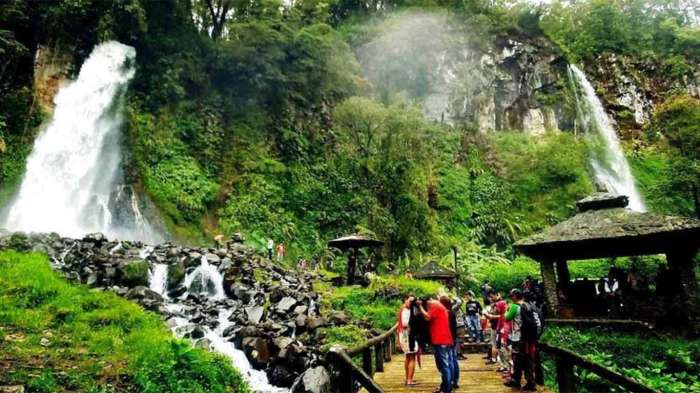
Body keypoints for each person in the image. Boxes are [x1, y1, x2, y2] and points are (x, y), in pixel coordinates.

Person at [417, 295, 453, 393]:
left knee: (444, 365)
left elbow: (427, 317)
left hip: (441, 340)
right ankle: (444, 386)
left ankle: (447, 389)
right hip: (443, 340)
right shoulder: (438, 305)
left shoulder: (434, 305)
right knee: (443, 365)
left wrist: (420, 307)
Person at [504, 289, 536, 391]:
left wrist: (506, 309)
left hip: (518, 337)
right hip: (528, 337)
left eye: (511, 296)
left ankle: (516, 381)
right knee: (527, 359)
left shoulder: (514, 306)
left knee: (517, 359)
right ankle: (530, 381)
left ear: (514, 296)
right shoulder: (527, 305)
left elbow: (506, 318)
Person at [397, 295, 418, 386]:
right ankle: (409, 380)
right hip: (408, 336)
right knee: (412, 357)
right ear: (405, 300)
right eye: (410, 301)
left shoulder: (403, 309)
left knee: (408, 357)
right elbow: (405, 324)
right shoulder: (406, 310)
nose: (411, 303)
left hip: (405, 335)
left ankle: (408, 378)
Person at [440, 296, 460, 389]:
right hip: (454, 337)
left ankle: (450, 381)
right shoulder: (452, 312)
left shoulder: (446, 313)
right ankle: (455, 380)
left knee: (449, 360)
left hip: (449, 338)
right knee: (454, 359)